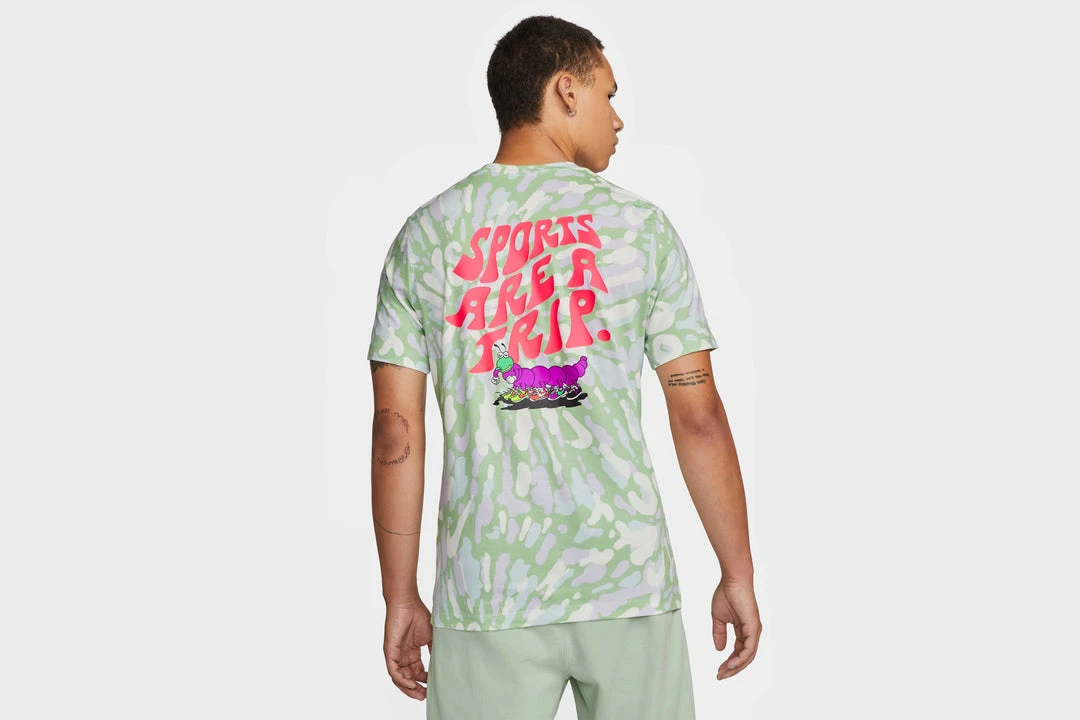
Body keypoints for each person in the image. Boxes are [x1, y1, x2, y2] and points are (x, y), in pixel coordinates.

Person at [367, 15, 760, 720]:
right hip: (627, 583)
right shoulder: (641, 229)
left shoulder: (426, 235)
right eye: (609, 95)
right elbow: (697, 416)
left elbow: (395, 430)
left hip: (487, 589)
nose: (618, 119)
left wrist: (400, 595)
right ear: (565, 90)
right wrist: (737, 571)